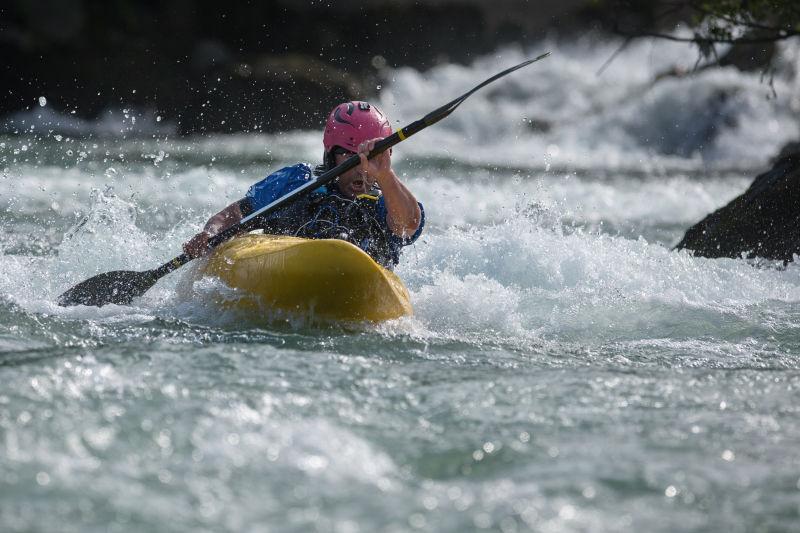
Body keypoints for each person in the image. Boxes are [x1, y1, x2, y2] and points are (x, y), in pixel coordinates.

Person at [182, 101, 424, 269]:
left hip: (361, 283)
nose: (362, 169)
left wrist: (385, 175)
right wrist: (210, 234)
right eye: (350, 157)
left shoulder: (388, 200)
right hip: (287, 272)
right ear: (331, 154)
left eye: (372, 160)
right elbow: (236, 213)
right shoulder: (297, 182)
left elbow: (408, 226)